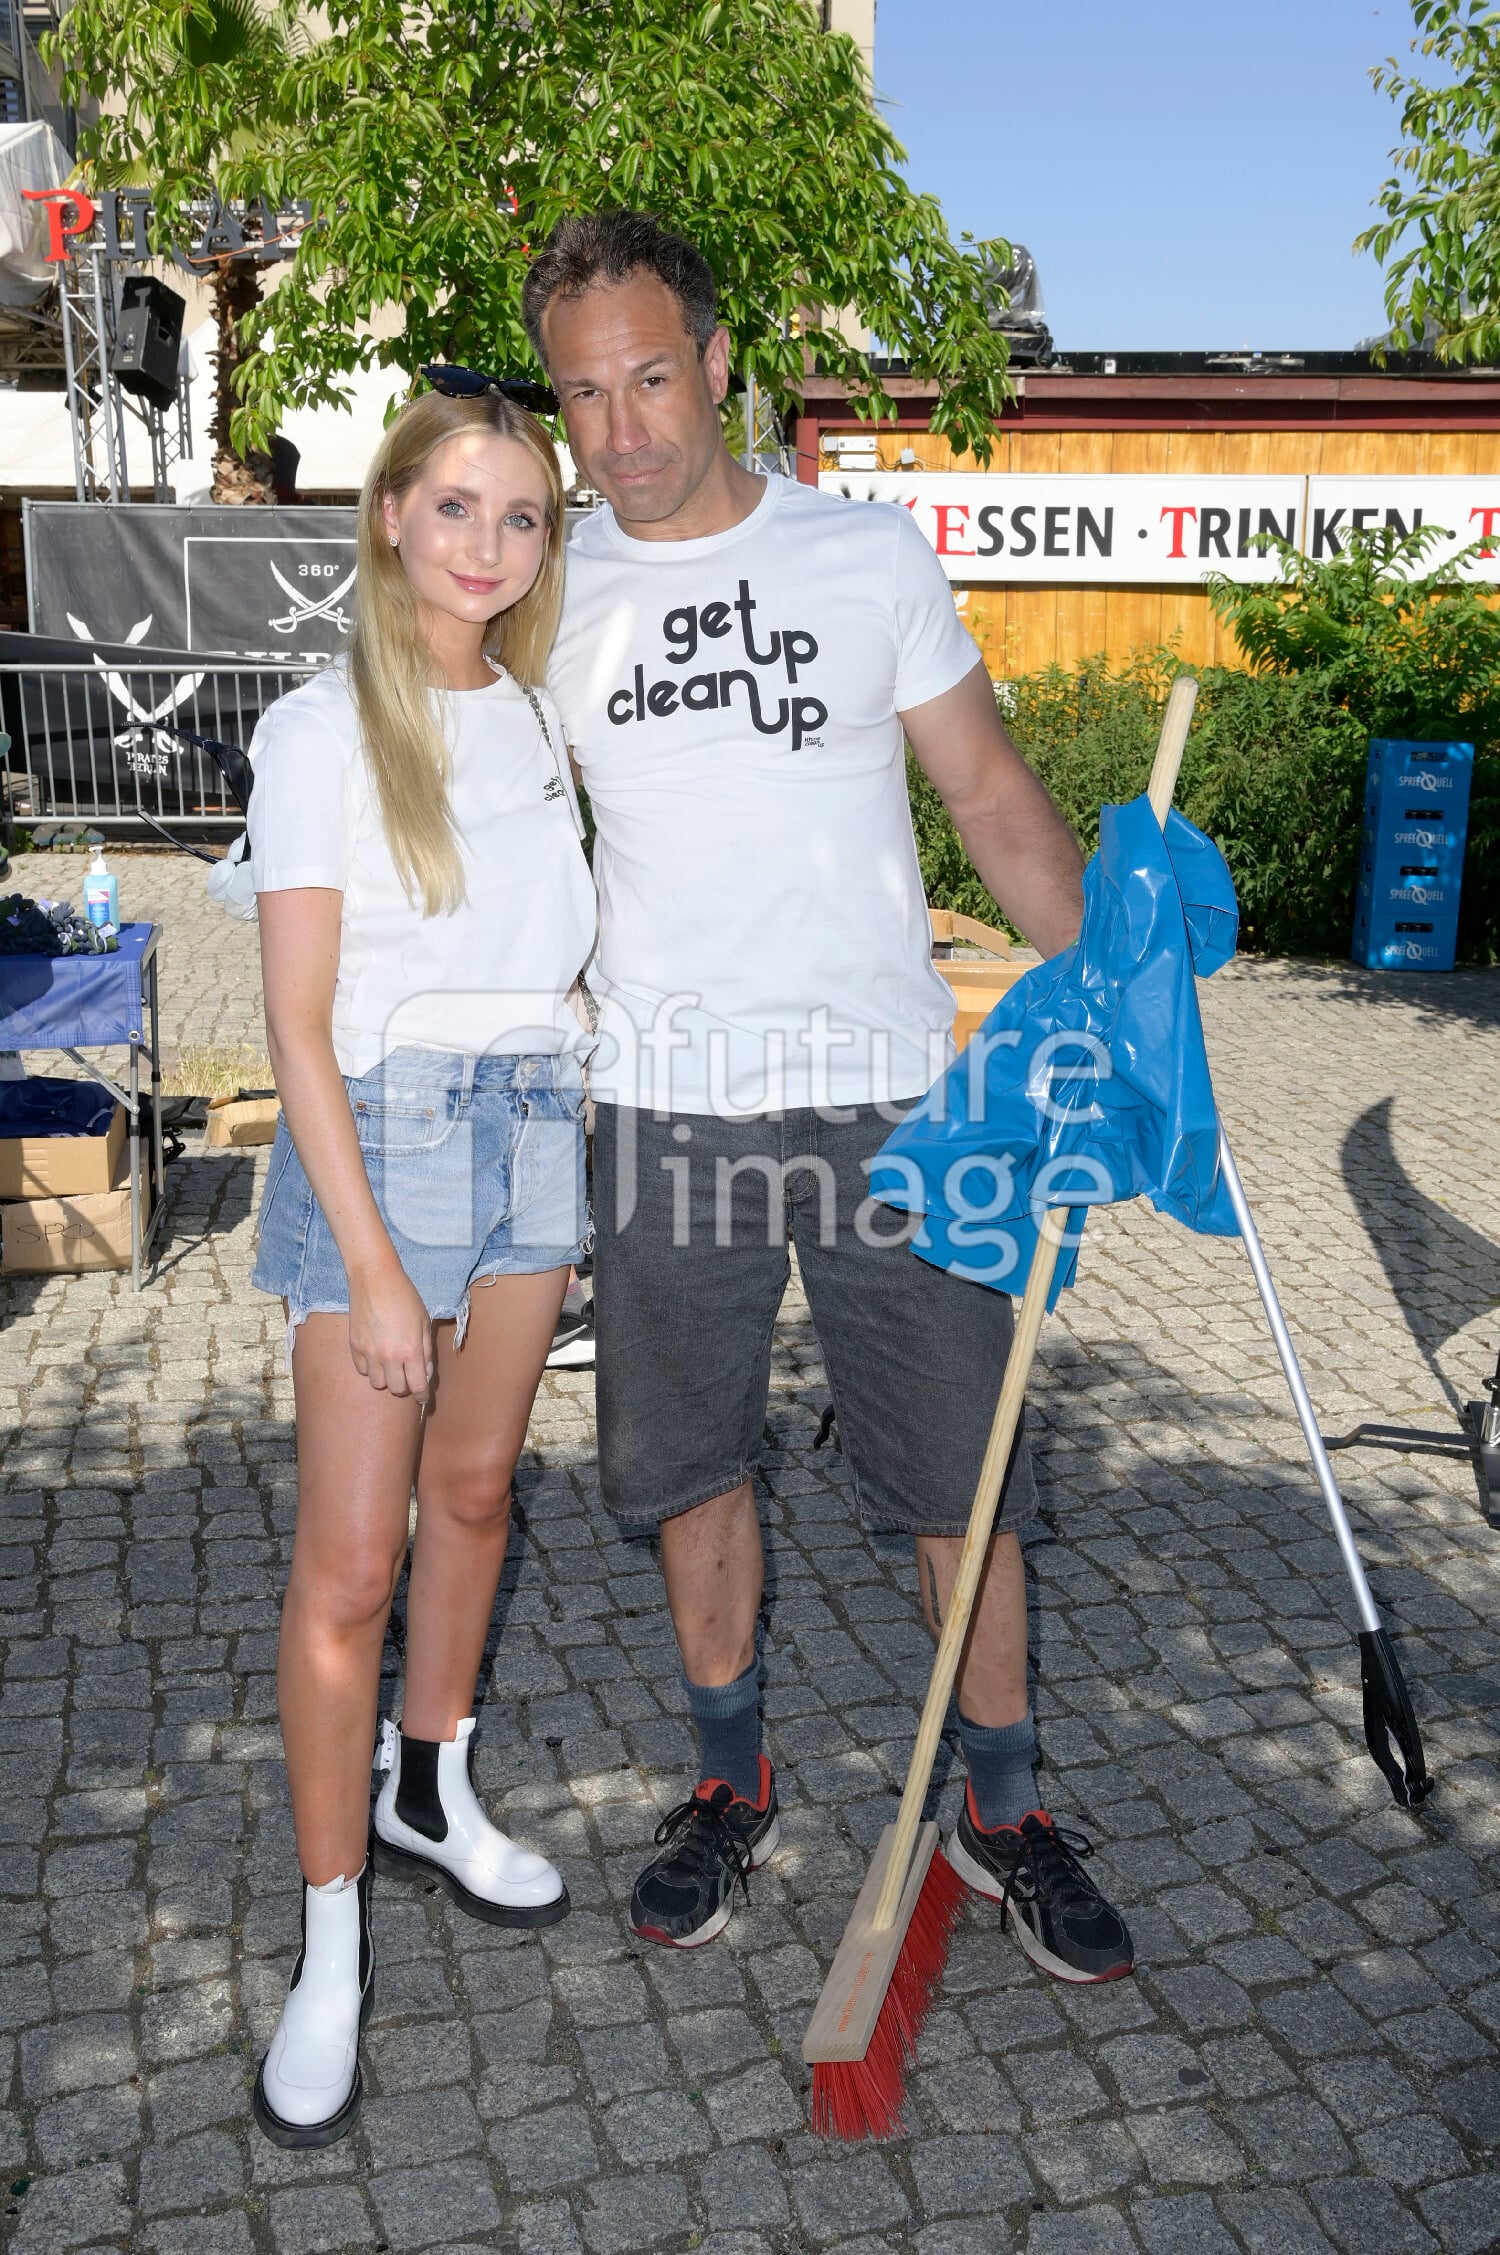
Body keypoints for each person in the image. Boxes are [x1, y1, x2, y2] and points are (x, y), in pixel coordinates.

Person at [531, 211, 1134, 1981]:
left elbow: (994, 798)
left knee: (962, 1470)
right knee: (687, 1464)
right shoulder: (549, 594)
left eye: (653, 379)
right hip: (666, 1103)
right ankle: (732, 1781)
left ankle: (1002, 1809)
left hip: (891, 1100)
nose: (624, 429)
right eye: (586, 396)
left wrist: (1123, 991)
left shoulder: (864, 556)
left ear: (719, 364)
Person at [245, 384, 596, 2148]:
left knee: (473, 1498)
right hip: (383, 1143)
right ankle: (328, 1941)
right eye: (456, 505)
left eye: (522, 515)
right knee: (348, 1570)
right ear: (388, 511)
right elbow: (296, 1030)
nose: (487, 544)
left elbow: (555, 945)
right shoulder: (319, 732)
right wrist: (376, 1270)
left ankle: (431, 1787)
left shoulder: (535, 715)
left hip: (537, 1128)